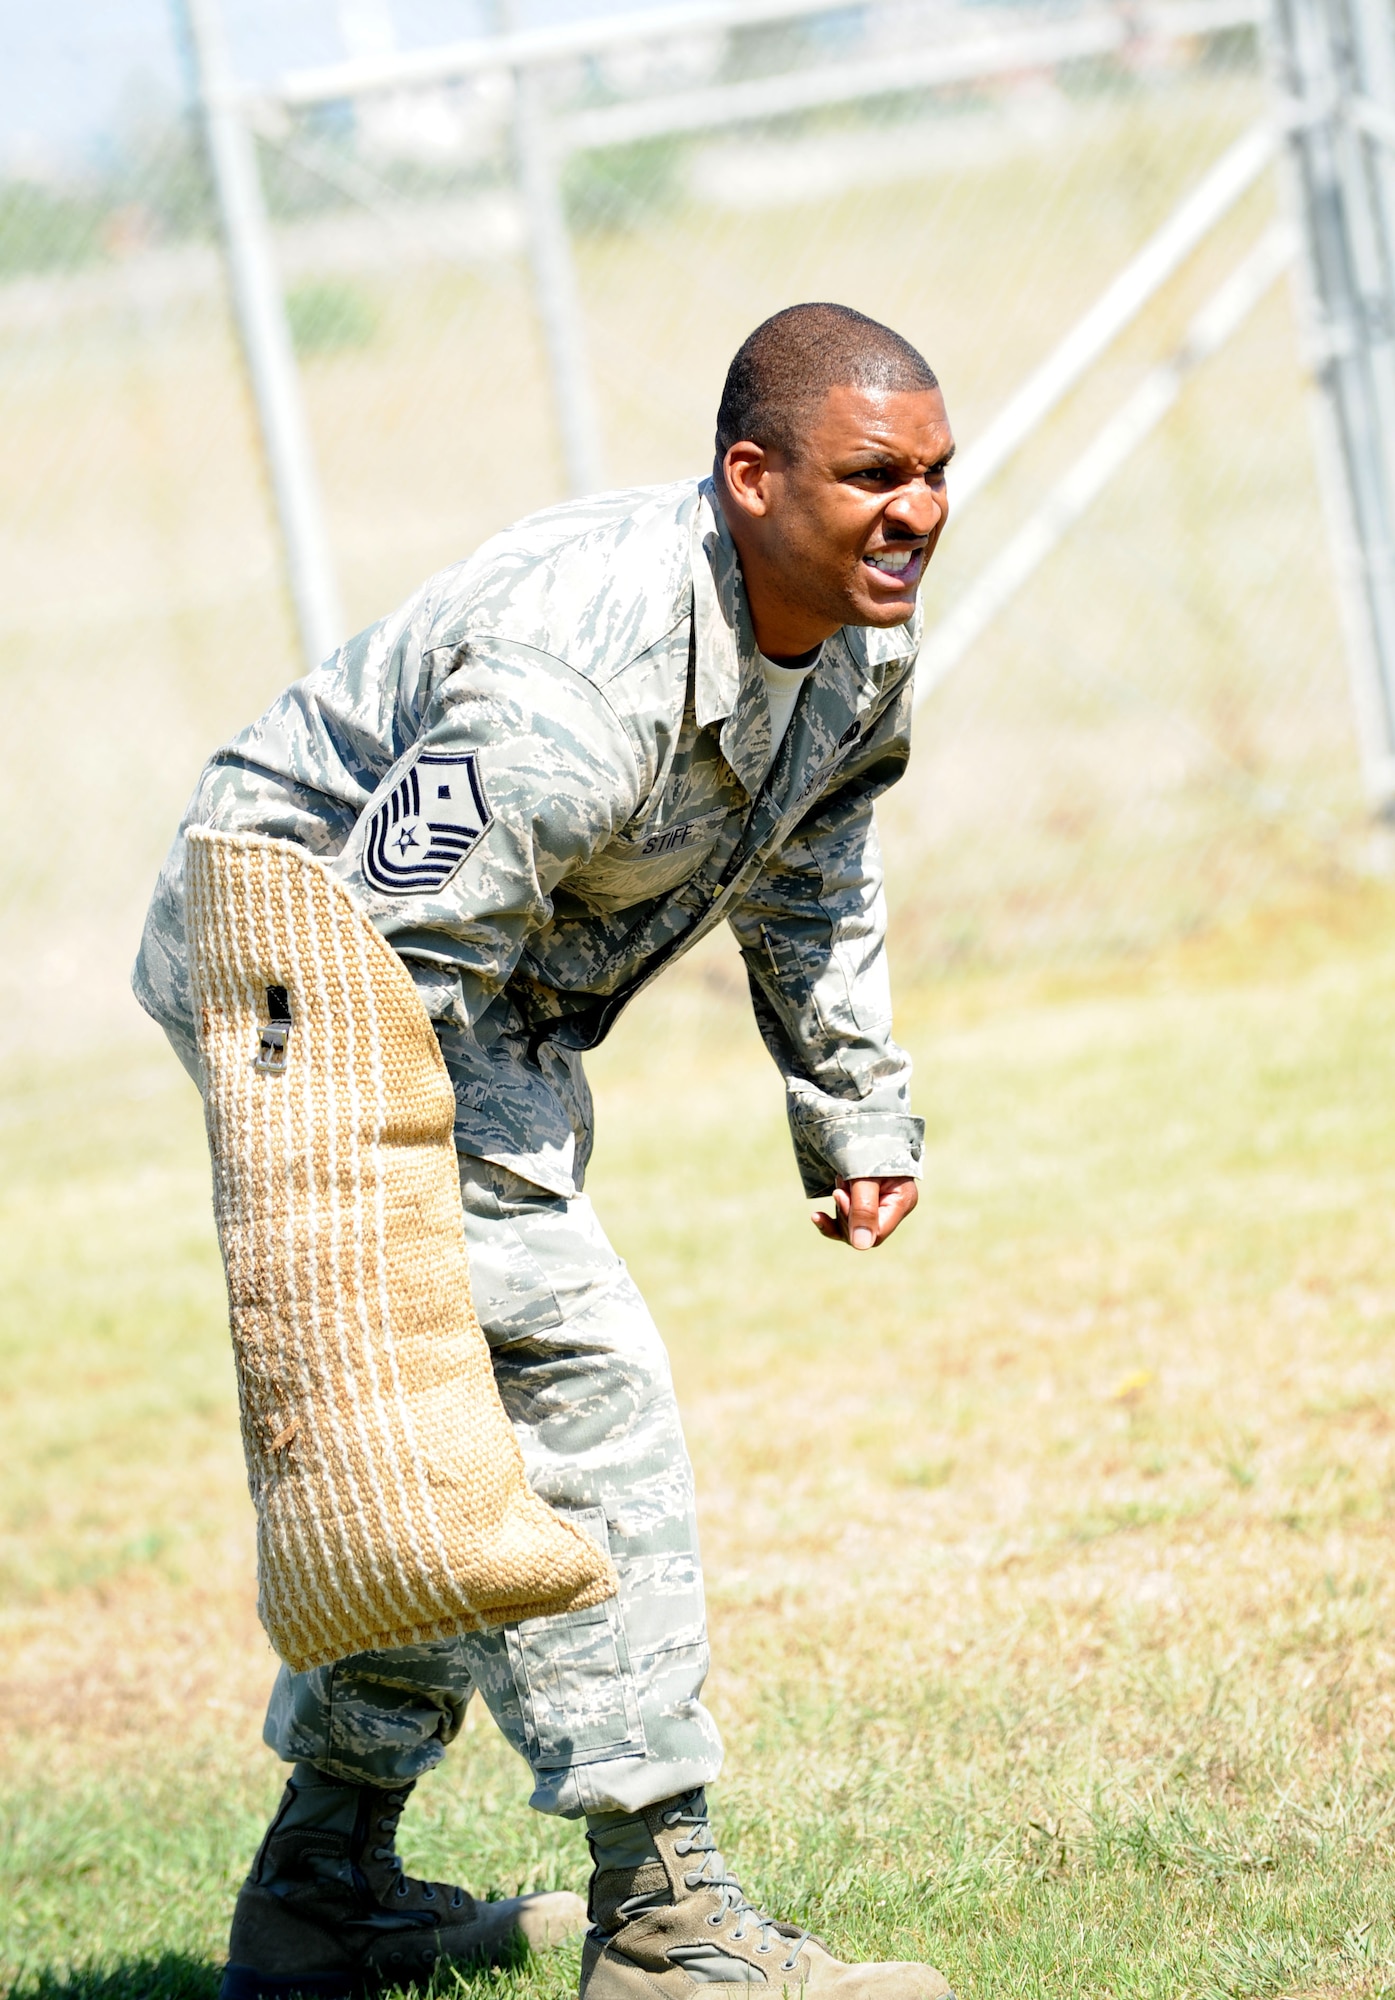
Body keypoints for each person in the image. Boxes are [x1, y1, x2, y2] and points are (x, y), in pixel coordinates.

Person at [134, 301, 956, 2000]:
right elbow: (383, 944)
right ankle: (664, 1917)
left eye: (939, 474)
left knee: (446, 1444)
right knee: (573, 1384)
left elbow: (810, 875)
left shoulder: (860, 643)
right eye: (875, 473)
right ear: (751, 478)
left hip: (451, 979)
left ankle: (323, 1890)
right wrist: (390, 1238)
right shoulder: (579, 678)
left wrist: (852, 1110)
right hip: (320, 964)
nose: (918, 511)